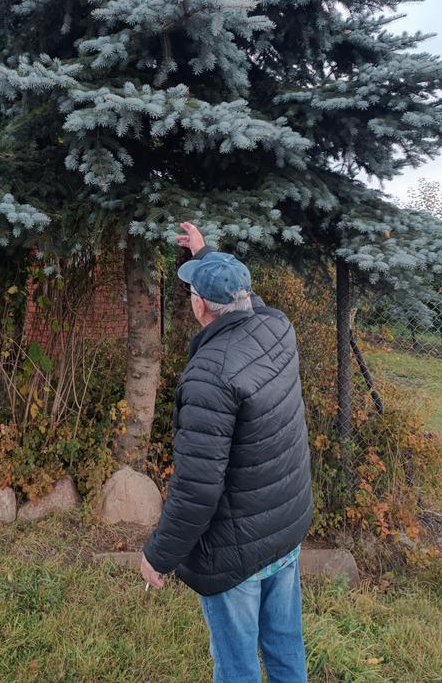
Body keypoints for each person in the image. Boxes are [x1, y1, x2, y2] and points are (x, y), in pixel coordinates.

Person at [140, 222, 312, 683]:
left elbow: (196, 490)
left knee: (236, 668)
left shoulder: (209, 375)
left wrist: (158, 556)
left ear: (199, 305)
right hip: (283, 530)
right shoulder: (277, 327)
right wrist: (208, 255)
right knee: (284, 645)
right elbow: (244, 297)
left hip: (235, 552)